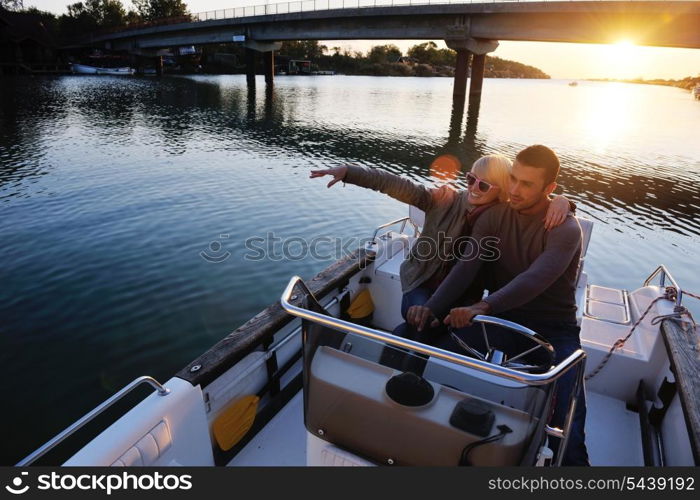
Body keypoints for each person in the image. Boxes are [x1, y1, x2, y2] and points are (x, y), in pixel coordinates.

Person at [414, 144, 589, 466]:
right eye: (512, 179)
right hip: (500, 318)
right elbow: (467, 266)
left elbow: (537, 277)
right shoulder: (494, 216)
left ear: (550, 189)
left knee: (568, 404)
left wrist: (483, 306)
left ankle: (572, 464)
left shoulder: (566, 228)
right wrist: (432, 308)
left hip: (553, 328)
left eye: (526, 184)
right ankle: (401, 419)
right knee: (412, 337)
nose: (514, 190)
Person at [310, 155, 571, 346]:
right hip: (422, 283)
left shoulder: (502, 217)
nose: (472, 188)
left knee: (440, 331)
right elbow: (396, 184)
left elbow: (535, 204)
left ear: (503, 191)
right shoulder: (443, 200)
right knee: (423, 322)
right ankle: (403, 380)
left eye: (483, 185)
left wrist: (565, 203)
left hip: (464, 296)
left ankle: (401, 369)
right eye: (470, 179)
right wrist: (349, 172)